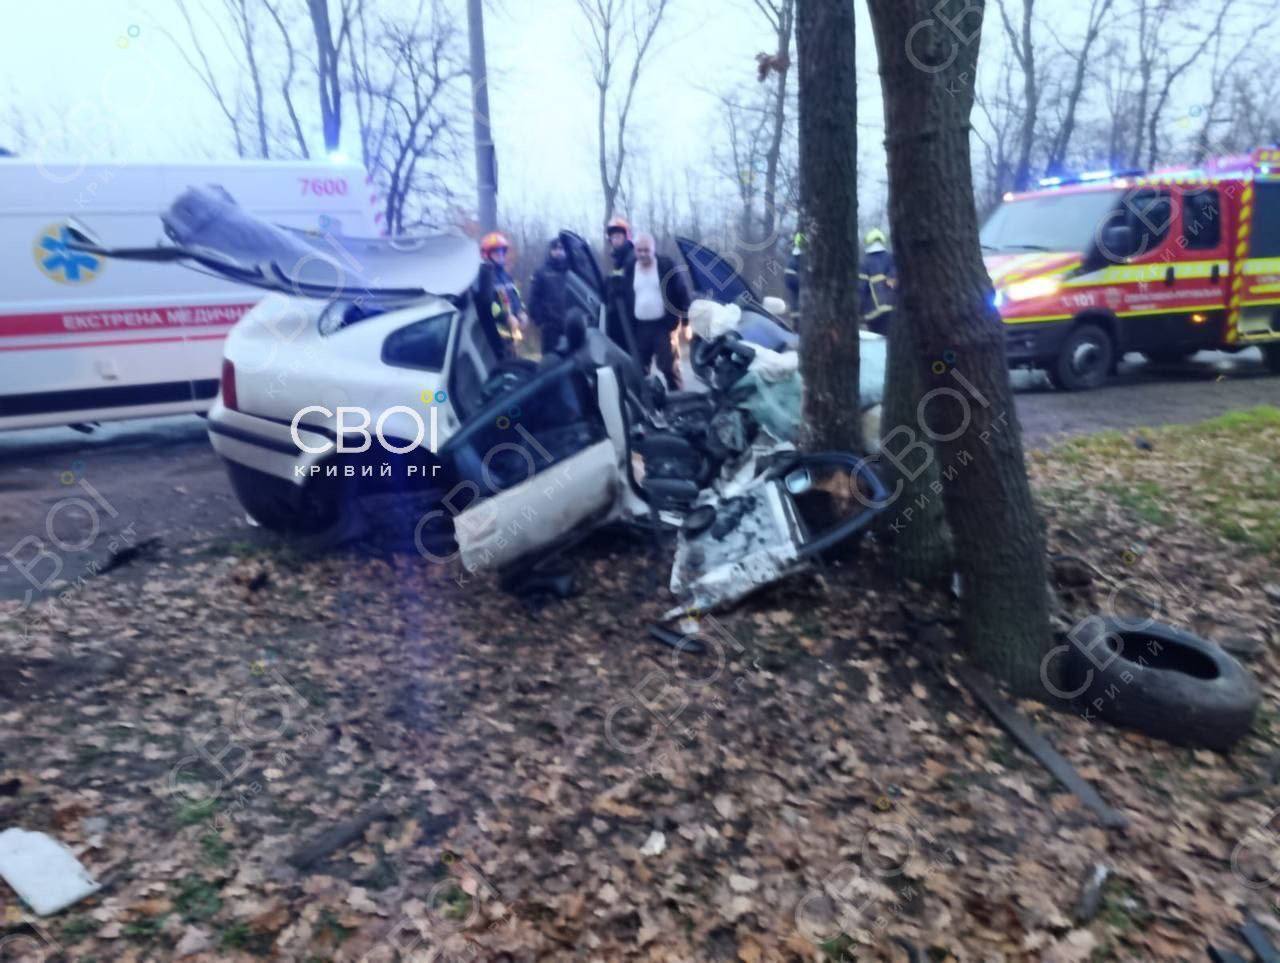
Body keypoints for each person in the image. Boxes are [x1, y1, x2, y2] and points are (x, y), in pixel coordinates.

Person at [622, 232, 691, 390]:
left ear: (653, 249)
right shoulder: (630, 267)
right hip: (639, 327)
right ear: (635, 250)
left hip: (663, 326)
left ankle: (679, 401)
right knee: (639, 369)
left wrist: (686, 322)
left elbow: (682, 292)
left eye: (647, 250)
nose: (643, 254)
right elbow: (624, 293)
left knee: (669, 367)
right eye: (639, 250)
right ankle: (647, 406)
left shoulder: (666, 265)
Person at [480, 231, 527, 348]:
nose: (501, 255)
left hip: (512, 333)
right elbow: (488, 304)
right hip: (495, 336)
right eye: (496, 252)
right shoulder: (485, 277)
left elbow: (516, 297)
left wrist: (521, 312)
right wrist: (506, 317)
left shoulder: (506, 276)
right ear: (487, 254)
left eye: (502, 251)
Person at [527, 236, 572, 354]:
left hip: (570, 327)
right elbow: (533, 300)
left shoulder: (571, 273)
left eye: (561, 248)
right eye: (555, 248)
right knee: (551, 362)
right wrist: (541, 322)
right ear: (550, 251)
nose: (559, 251)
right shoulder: (541, 272)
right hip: (550, 329)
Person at [858, 227, 897, 336]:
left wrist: (857, 312)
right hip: (893, 308)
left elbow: (861, 289)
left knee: (878, 341)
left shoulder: (864, 262)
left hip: (873, 312)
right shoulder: (892, 258)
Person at [784, 231, 805, 310]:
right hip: (792, 276)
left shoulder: (792, 250)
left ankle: (794, 312)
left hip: (787, 278)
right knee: (796, 295)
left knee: (794, 297)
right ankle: (796, 311)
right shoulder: (797, 251)